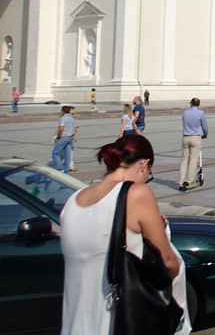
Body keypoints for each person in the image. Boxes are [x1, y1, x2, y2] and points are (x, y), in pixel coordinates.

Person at [60, 134, 183, 335]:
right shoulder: (136, 193)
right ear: (144, 164)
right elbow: (169, 263)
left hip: (73, 325)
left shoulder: (73, 201)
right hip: (114, 323)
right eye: (148, 175)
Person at [179, 98, 208, 191]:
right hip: (195, 137)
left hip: (186, 136)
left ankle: (180, 181)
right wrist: (205, 134)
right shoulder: (201, 113)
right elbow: (204, 126)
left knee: (184, 160)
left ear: (191, 104)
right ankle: (189, 180)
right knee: (193, 159)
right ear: (198, 105)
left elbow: (184, 122)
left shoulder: (185, 113)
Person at [53, 106, 78, 173]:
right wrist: (73, 135)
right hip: (70, 138)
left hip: (64, 138)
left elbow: (61, 128)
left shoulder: (63, 118)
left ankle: (60, 168)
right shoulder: (72, 119)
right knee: (67, 155)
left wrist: (58, 136)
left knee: (55, 153)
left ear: (63, 112)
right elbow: (75, 129)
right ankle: (66, 170)